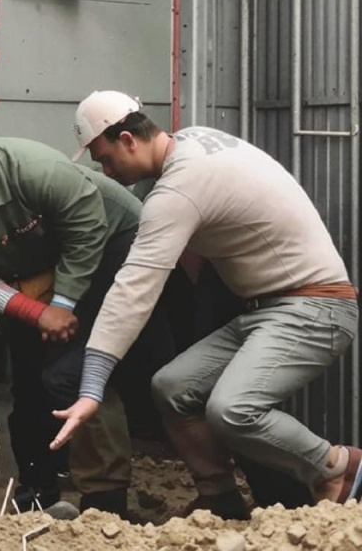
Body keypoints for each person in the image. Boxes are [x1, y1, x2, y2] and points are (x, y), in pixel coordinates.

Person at [52, 90, 361, 517]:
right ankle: (219, 500)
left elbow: (134, 288)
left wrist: (91, 387)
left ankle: (336, 467)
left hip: (316, 308)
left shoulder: (179, 187)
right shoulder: (197, 141)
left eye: (105, 158)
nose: (105, 170)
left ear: (128, 139)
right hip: (266, 309)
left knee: (232, 409)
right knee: (173, 387)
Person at [0, 105, 175, 520]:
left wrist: (64, 303)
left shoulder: (38, 170)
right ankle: (39, 491)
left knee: (75, 371)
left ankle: (105, 501)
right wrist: (37, 313)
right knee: (30, 382)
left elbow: (87, 230)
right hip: (31, 272)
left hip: (111, 242)